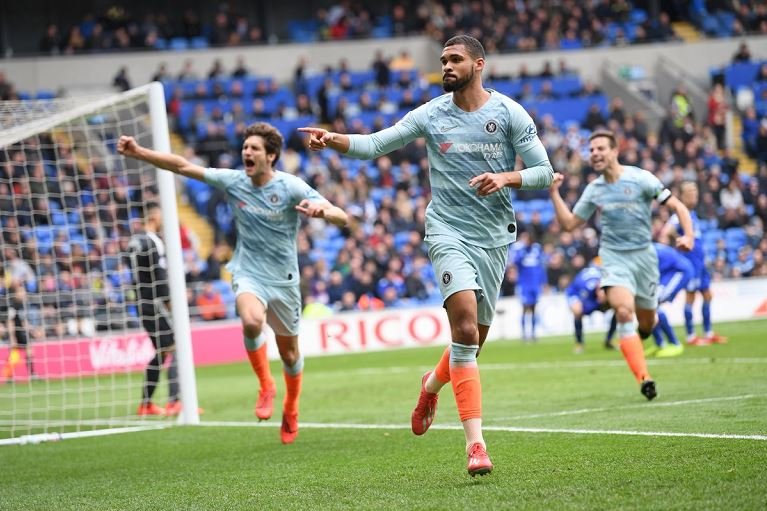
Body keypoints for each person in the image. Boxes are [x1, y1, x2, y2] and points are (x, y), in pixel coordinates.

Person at [299, 35, 554, 476]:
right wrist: (333, 138)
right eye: (443, 60)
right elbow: (377, 144)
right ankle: (476, 445)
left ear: (479, 64)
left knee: (471, 342)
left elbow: (544, 172)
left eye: (455, 60)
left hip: (493, 237)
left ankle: (431, 384)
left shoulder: (510, 113)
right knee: (465, 326)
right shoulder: (431, 114)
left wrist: (507, 177)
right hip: (447, 230)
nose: (447, 66)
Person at [118, 122, 348, 444]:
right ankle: (266, 385)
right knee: (252, 321)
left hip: (284, 281)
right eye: (245, 147)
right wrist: (139, 152)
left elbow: (342, 216)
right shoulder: (234, 181)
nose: (246, 152)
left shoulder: (291, 186)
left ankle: (291, 407)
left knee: (291, 356)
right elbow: (183, 166)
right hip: (248, 272)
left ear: (271, 156)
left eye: (254, 148)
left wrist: (323, 211)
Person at [549, 129, 695, 401]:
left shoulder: (641, 179)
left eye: (600, 148)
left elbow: (678, 206)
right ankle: (644, 378)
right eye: (591, 150)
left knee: (647, 322)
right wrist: (554, 193)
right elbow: (569, 224)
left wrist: (688, 235)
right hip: (614, 258)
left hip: (645, 258)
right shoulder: (594, 189)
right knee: (624, 312)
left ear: (615, 151)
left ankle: (639, 339)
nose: (594, 154)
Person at [125, 203, 184, 416]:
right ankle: (174, 401)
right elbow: (158, 276)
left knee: (161, 352)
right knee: (177, 347)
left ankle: (146, 403)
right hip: (155, 302)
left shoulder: (134, 241)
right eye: (161, 214)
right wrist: (170, 301)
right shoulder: (153, 241)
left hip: (141, 302)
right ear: (154, 216)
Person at [662, 181, 727, 346]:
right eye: (690, 192)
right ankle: (691, 336)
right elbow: (667, 231)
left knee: (708, 295)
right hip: (690, 264)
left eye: (695, 192)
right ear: (682, 196)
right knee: (690, 297)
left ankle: (708, 332)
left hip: (700, 264)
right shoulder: (679, 215)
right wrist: (679, 240)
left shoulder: (693, 215)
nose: (694, 196)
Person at [647, 242, 694, 358]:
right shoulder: (643, 250)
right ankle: (660, 344)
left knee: (652, 304)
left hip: (679, 272)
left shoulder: (646, 252)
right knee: (647, 306)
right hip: (668, 274)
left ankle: (675, 343)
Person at [565, 259, 616, 354]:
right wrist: (574, 303)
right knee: (577, 311)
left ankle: (608, 340)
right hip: (576, 294)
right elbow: (573, 293)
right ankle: (579, 343)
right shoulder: (586, 289)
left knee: (619, 309)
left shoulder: (607, 278)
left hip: (596, 296)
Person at [511, 231, 546, 342]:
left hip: (535, 283)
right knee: (525, 308)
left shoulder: (537, 249)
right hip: (524, 283)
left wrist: (544, 281)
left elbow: (541, 265)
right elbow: (515, 262)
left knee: (534, 308)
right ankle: (524, 334)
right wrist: (522, 250)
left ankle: (533, 333)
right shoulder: (519, 249)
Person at [1, 284, 36, 383]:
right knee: (14, 355)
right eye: (21, 291)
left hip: (22, 331)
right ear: (16, 294)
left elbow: (23, 320)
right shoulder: (13, 305)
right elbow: (10, 321)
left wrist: (32, 330)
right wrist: (12, 337)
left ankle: (32, 374)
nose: (23, 293)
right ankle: (8, 376)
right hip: (15, 332)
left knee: (29, 351)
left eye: (23, 291)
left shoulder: (23, 304)